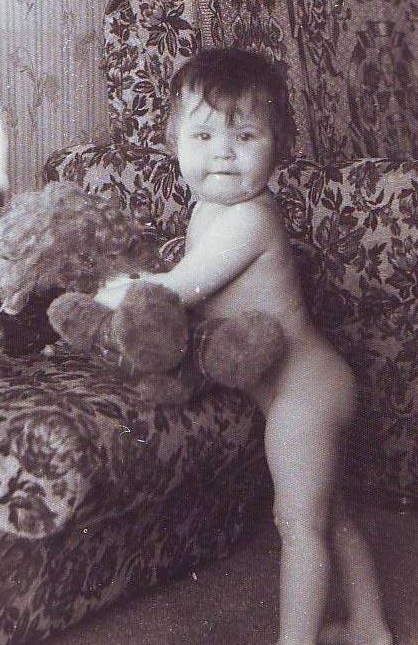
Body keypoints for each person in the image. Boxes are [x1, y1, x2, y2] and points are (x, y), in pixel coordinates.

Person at [95, 48, 392, 645]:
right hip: (296, 387)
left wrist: (119, 290)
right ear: (174, 143)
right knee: (332, 513)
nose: (223, 152)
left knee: (298, 524)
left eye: (246, 135)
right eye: (203, 135)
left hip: (304, 389)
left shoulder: (250, 218)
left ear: (279, 147)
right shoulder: (208, 210)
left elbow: (179, 289)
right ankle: (371, 626)